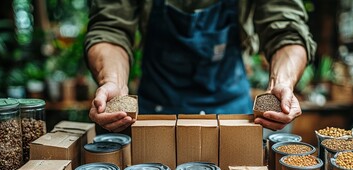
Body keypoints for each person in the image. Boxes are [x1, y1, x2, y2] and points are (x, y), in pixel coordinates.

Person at [85, 0, 316, 133]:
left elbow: (288, 30)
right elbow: (110, 29)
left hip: (231, 111)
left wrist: (282, 83)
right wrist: (112, 81)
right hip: (155, 112)